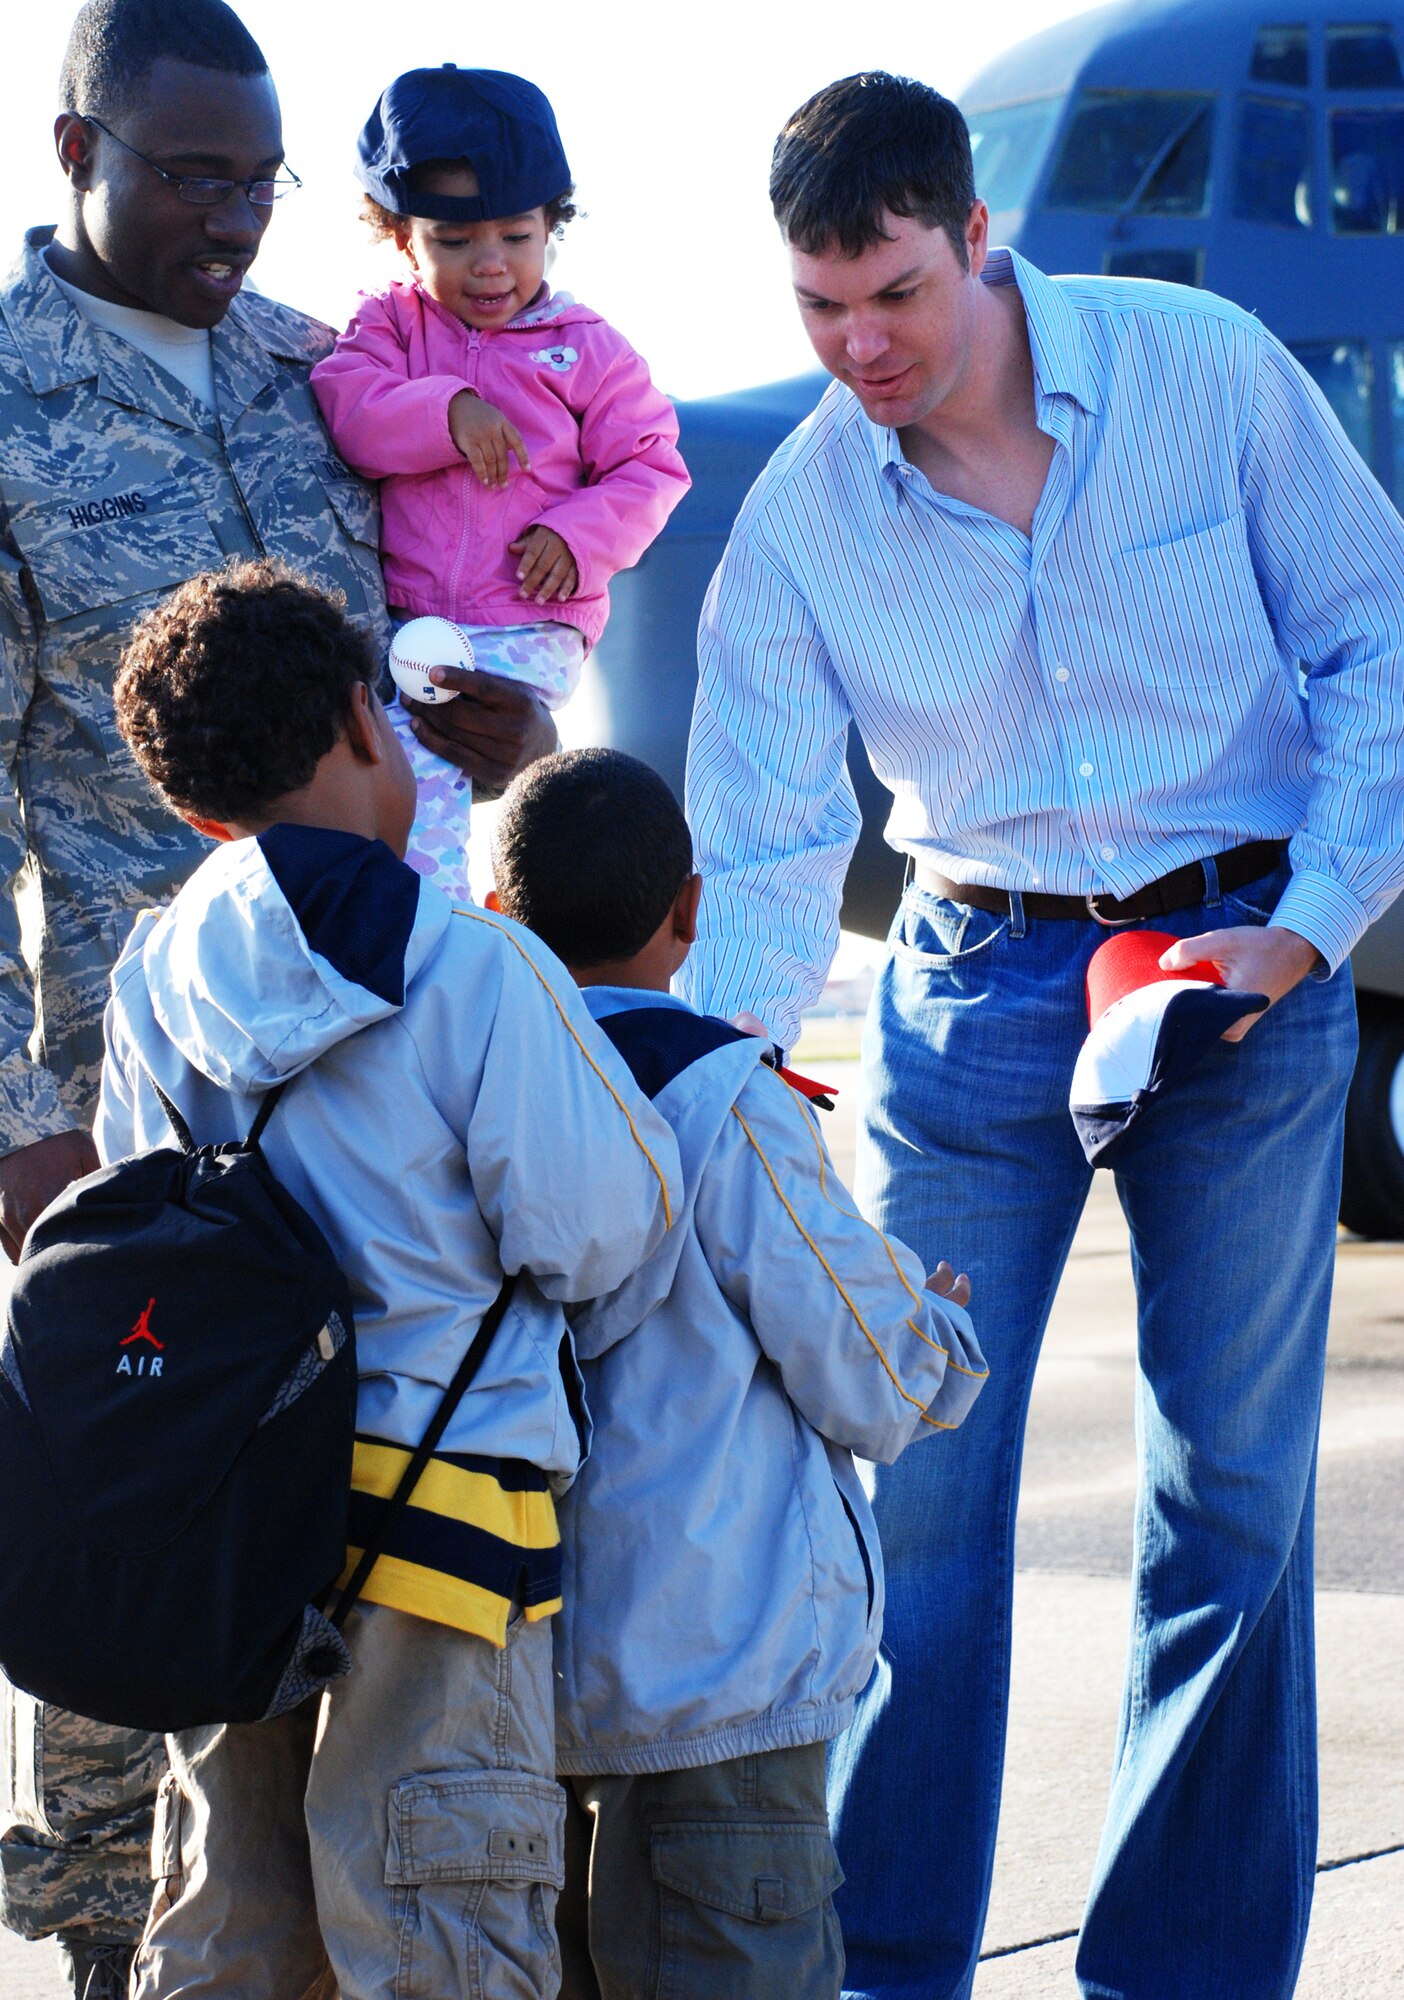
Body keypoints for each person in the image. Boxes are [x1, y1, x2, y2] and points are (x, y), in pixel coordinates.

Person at [681, 69, 1404, 2000]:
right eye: (819, 307)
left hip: (1233, 972)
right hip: (966, 999)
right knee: (911, 1508)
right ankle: (883, 1972)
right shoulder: (806, 514)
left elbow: (1370, 638)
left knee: (1231, 1511)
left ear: (971, 235)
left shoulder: (1204, 369)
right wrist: (708, 1088)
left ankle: (1175, 1976)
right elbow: (759, 835)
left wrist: (1305, 930)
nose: (858, 347)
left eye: (893, 294)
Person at [0, 5, 553, 1990]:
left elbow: (456, 599)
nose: (235, 217)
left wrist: (513, 723)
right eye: (189, 176)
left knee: (382, 1526)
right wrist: (16, 1120)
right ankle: (92, 1941)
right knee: (133, 1538)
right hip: (140, 1103)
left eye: (261, 179)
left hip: (388, 1065)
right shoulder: (4, 408)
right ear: (80, 153)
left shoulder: (331, 376)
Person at [96, 560, 682, 2000]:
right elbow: (601, 1234)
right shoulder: (474, 967)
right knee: (442, 1927)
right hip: (443, 1528)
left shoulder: (156, 974)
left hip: (227, 1531)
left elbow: (132, 1218)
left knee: (231, 1921)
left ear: (192, 808)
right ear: (370, 722)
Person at [489, 747, 986, 2000]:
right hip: (720, 1707)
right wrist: (934, 1324)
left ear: (499, 917)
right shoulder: (728, 1099)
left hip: (505, 1703)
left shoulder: (466, 1094)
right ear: (691, 911)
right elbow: (874, 1374)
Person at [312, 66, 691, 900]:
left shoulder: (588, 348)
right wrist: (448, 409)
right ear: (400, 235)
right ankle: (445, 924)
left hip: (529, 621)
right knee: (387, 770)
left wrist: (579, 533)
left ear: (552, 226)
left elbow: (654, 463)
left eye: (516, 237)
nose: (490, 266)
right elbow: (350, 406)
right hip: (416, 626)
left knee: (435, 766)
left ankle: (439, 935)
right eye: (454, 241)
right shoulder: (388, 328)